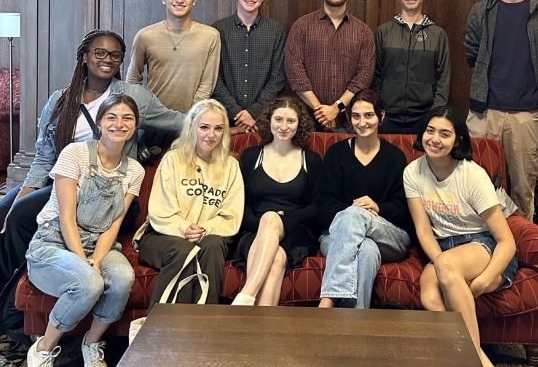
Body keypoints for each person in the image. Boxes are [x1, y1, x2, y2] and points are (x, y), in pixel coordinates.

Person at [0, 29, 183, 332]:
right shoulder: (61, 99)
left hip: (103, 189)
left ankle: (10, 315)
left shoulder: (132, 96)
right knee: (7, 212)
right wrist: (22, 194)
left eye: (114, 55)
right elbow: (45, 158)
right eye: (100, 53)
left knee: (20, 217)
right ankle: (12, 295)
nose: (107, 60)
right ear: (84, 57)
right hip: (62, 179)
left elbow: (177, 121)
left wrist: (214, 124)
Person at [403, 106, 536, 367]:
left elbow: (506, 241)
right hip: (445, 250)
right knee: (429, 294)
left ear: (458, 139)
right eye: (430, 131)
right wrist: (440, 262)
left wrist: (485, 280)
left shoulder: (471, 175)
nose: (435, 139)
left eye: (445, 133)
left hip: (484, 246)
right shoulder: (413, 172)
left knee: (447, 269)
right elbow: (424, 231)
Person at [24, 94, 145, 367]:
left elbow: (113, 224)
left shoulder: (134, 171)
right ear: (100, 122)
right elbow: (66, 217)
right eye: (112, 117)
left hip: (100, 243)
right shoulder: (74, 154)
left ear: (135, 125)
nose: (119, 124)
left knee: (122, 279)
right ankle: (43, 348)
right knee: (88, 282)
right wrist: (84, 262)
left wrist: (98, 258)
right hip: (54, 242)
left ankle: (92, 343)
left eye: (127, 118)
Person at [464, 0, 538, 221]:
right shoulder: (481, 11)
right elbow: (472, 52)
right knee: (476, 184)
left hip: (525, 114)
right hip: (485, 113)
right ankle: (478, 246)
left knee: (522, 188)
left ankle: (521, 252)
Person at [135, 99, 244, 306]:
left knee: (212, 245)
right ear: (192, 128)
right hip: (163, 235)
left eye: (218, 129)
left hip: (209, 235)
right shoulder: (173, 159)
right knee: (184, 250)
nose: (211, 135)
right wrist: (184, 228)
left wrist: (205, 228)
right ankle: (165, 329)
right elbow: (160, 210)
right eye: (204, 127)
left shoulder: (231, 166)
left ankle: (206, 326)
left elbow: (232, 214)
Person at [317, 89, 410, 308]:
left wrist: (377, 208)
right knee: (366, 250)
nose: (362, 122)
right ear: (349, 119)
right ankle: (353, 326)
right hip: (335, 236)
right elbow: (322, 207)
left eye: (369, 115)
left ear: (381, 116)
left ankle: (327, 300)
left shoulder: (395, 158)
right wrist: (353, 212)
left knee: (356, 216)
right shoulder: (336, 154)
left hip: (389, 237)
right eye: (356, 116)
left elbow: (403, 211)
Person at [230, 96, 321, 306]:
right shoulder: (251, 156)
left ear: (299, 125)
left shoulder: (312, 160)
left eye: (291, 121)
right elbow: (239, 203)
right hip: (252, 231)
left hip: (295, 232)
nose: (284, 127)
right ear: (269, 121)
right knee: (277, 259)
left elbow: (316, 207)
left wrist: (282, 218)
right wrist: (264, 226)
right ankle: (263, 333)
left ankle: (245, 296)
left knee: (271, 219)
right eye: (278, 119)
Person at [285, 0, 375, 131]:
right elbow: (295, 73)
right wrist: (321, 111)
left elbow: (364, 77)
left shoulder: (363, 31)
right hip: (306, 120)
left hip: (348, 121)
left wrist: (336, 108)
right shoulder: (302, 26)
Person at [126, 0, 221, 114]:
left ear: (194, 0)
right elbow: (132, 79)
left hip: (191, 119)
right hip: (152, 118)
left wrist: (192, 115)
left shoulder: (210, 36)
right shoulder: (145, 35)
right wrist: (144, 108)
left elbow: (207, 84)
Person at [373, 0, 451, 133]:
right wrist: (378, 106)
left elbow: (443, 77)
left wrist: (436, 113)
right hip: (388, 115)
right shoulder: (383, 32)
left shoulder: (438, 34)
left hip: (424, 116)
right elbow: (376, 74)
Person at [212, 0, 286, 134]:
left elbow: (278, 78)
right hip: (224, 119)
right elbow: (213, 78)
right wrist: (237, 112)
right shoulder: (217, 30)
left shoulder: (275, 31)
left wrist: (253, 112)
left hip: (263, 120)